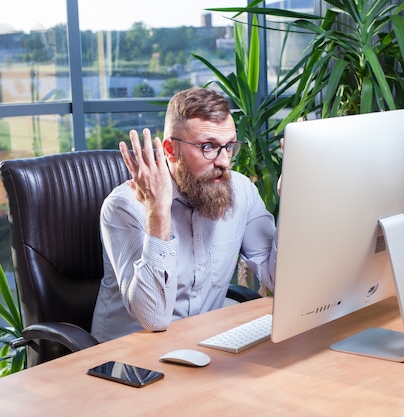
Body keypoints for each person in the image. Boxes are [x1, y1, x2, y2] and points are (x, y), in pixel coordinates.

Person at [91, 87, 277, 342]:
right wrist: (158, 215)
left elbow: (280, 278)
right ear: (170, 150)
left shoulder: (241, 191)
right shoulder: (124, 206)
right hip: (127, 363)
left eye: (229, 146)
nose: (223, 161)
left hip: (201, 349)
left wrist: (297, 205)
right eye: (208, 147)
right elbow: (154, 320)